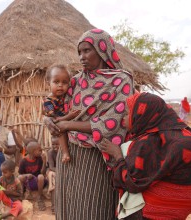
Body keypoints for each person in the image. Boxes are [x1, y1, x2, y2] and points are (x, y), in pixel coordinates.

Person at [44, 29, 134, 219]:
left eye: (87, 51)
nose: (82, 57)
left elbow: (113, 121)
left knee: (93, 207)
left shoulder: (121, 81)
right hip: (69, 153)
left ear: (102, 50)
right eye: (79, 52)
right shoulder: (76, 81)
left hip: (97, 156)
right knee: (68, 205)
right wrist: (47, 120)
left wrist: (68, 125)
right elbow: (58, 109)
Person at [100, 92, 191, 219]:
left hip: (157, 209)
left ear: (140, 115)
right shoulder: (179, 132)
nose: (123, 117)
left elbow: (131, 182)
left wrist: (117, 155)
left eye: (127, 113)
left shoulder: (147, 143)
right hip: (183, 207)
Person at [43, 64, 80, 163]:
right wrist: (69, 116)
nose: (60, 85)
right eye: (56, 82)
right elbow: (55, 120)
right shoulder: (48, 102)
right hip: (59, 125)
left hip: (67, 122)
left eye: (64, 82)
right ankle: (65, 153)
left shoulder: (66, 95)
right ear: (48, 83)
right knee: (61, 131)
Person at [18, 141, 47, 211]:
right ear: (33, 152)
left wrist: (44, 161)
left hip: (40, 182)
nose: (41, 151)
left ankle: (40, 197)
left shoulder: (40, 159)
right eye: (39, 150)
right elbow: (20, 174)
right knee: (19, 177)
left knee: (40, 176)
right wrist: (27, 175)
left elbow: (42, 172)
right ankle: (21, 194)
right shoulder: (23, 161)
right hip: (30, 182)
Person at [47, 136, 58, 214]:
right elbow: (51, 167)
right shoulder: (50, 152)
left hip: (61, 172)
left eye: (57, 144)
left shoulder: (65, 151)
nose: (55, 146)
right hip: (53, 171)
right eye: (53, 144)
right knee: (53, 182)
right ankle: (54, 207)